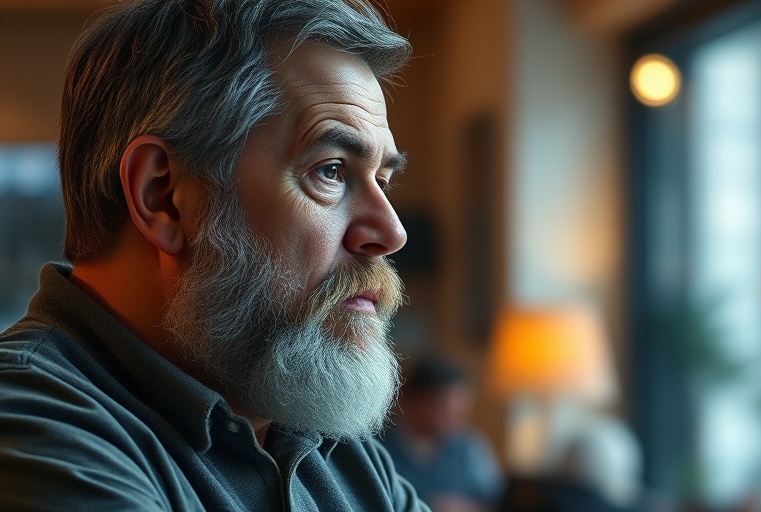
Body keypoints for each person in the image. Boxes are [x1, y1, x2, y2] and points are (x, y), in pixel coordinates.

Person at [0, 1, 429, 510]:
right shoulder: (33, 427)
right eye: (331, 170)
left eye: (383, 180)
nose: (391, 232)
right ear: (163, 197)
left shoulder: (332, 444)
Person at [380, 354, 503, 512]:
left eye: (461, 412)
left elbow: (496, 502)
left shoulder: (468, 446)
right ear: (412, 403)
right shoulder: (379, 445)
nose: (458, 421)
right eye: (446, 411)